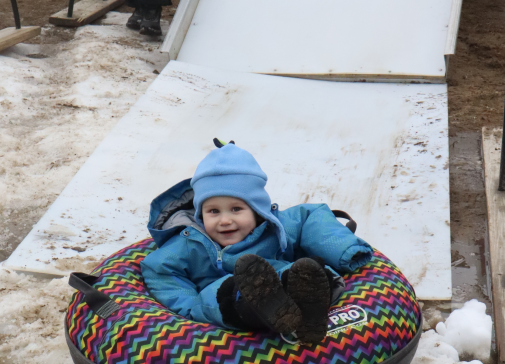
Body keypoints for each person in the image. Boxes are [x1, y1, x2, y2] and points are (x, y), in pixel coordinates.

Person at [141, 142, 373, 345]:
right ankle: (271, 306)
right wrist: (191, 309)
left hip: (282, 280)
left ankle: (310, 305)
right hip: (226, 299)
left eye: (236, 209)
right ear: (201, 215)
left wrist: (345, 251)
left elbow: (312, 216)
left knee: (304, 270)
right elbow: (160, 271)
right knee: (227, 292)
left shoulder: (273, 226)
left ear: (257, 210)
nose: (224, 220)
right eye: (213, 211)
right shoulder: (190, 243)